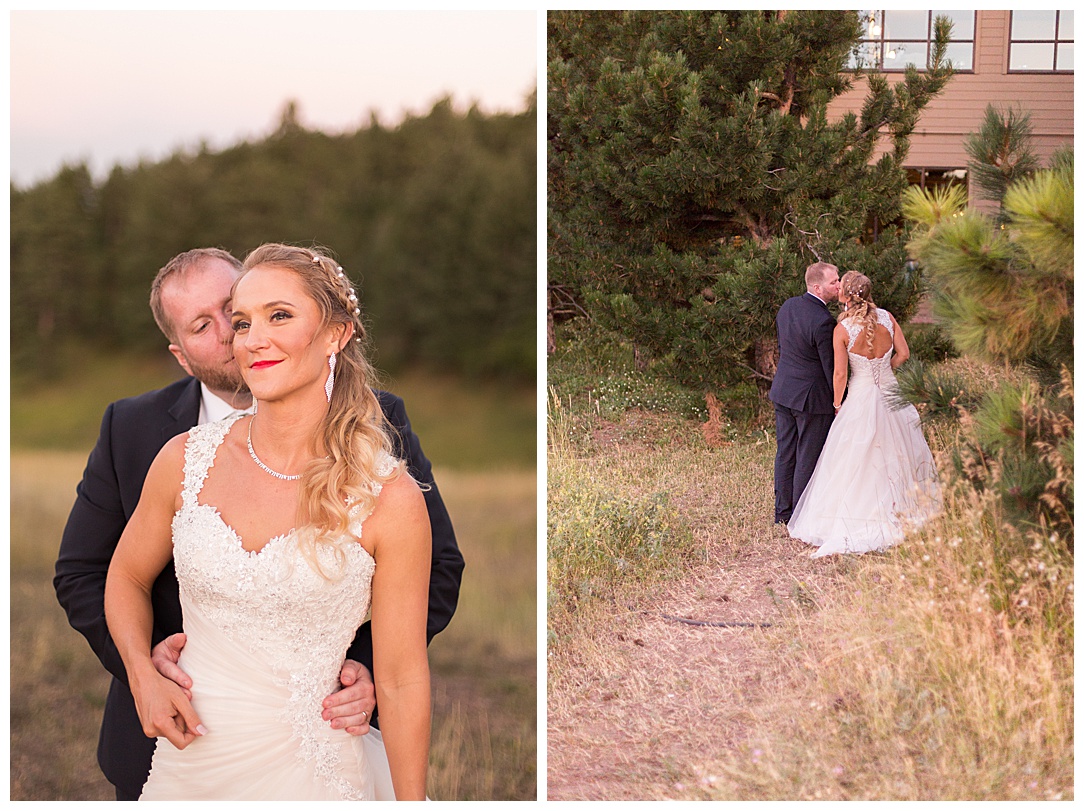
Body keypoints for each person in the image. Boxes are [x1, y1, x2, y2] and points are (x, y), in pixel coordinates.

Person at [54, 247, 463, 799]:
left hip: (315, 761)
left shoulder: (388, 490)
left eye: (276, 316)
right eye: (235, 322)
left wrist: (363, 679)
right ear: (181, 352)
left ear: (336, 333)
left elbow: (404, 670)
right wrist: (142, 672)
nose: (241, 337)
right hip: (184, 758)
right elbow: (104, 573)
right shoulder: (178, 455)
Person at [787, 271, 941, 557]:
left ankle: (858, 514)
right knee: (897, 450)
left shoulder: (842, 329)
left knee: (854, 456)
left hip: (860, 396)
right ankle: (902, 506)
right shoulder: (887, 317)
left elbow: (841, 373)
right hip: (889, 393)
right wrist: (885, 372)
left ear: (845, 296)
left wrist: (836, 404)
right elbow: (904, 353)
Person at [769, 261, 840, 524]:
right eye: (834, 282)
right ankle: (800, 516)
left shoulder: (788, 307)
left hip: (783, 390)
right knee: (807, 456)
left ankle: (782, 513)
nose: (839, 285)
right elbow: (830, 367)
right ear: (818, 287)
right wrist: (839, 400)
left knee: (786, 452)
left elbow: (784, 345)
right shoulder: (824, 321)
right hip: (811, 399)